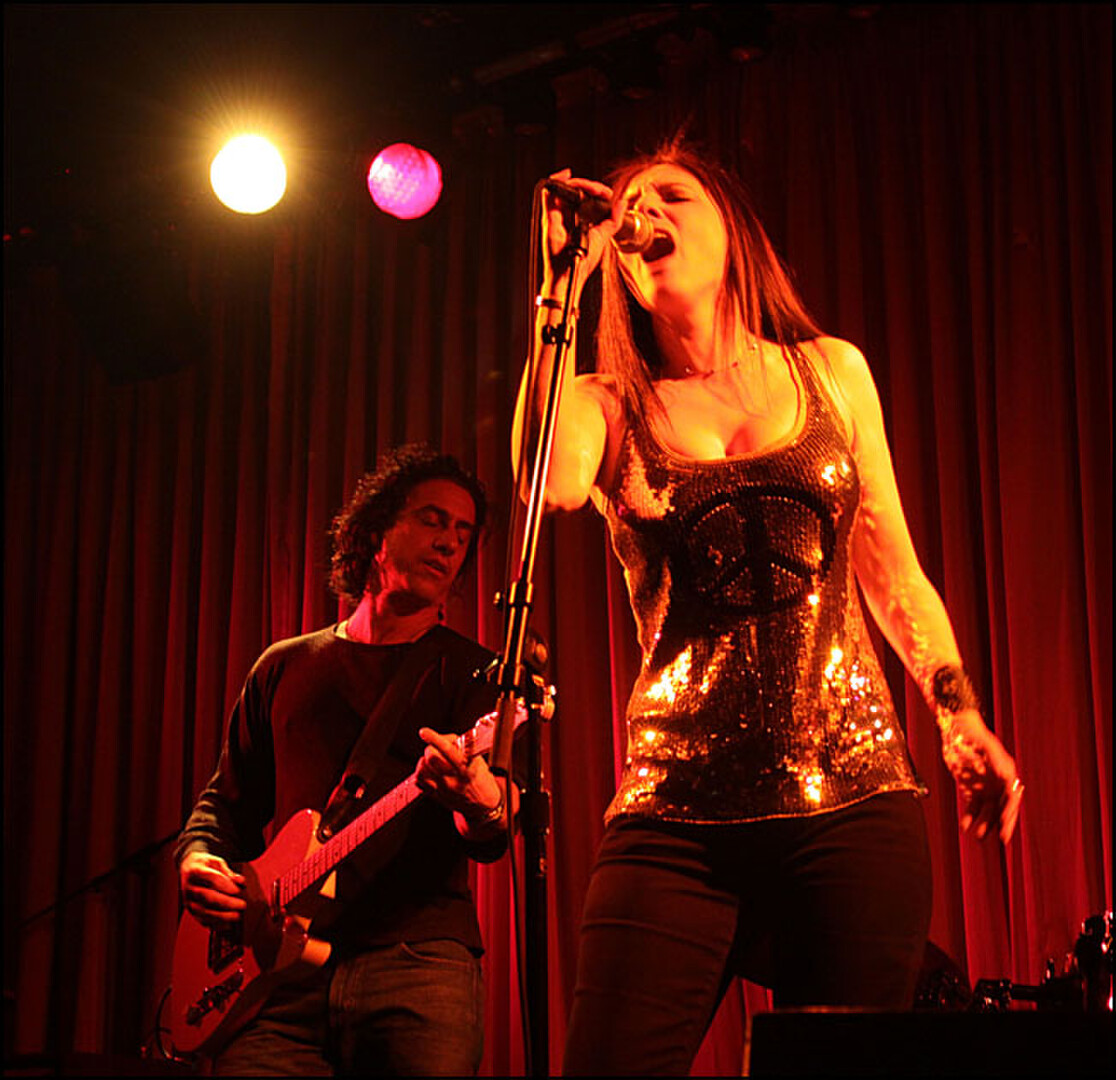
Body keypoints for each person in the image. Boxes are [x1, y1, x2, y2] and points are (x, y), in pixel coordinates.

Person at [513, 141, 1024, 1076]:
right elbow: (547, 482)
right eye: (629, 209)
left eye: (672, 197)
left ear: (733, 231)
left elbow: (893, 569)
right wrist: (557, 290)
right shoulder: (603, 400)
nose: (642, 216)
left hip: (853, 799)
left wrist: (959, 715)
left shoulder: (831, 371)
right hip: (674, 814)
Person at [176, 444, 515, 1077]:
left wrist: (481, 802)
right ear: (377, 532)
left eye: (463, 533)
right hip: (274, 980)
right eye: (432, 520)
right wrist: (197, 859)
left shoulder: (479, 675)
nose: (449, 542)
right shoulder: (283, 666)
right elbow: (223, 806)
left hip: (417, 967)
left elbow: (494, 833)